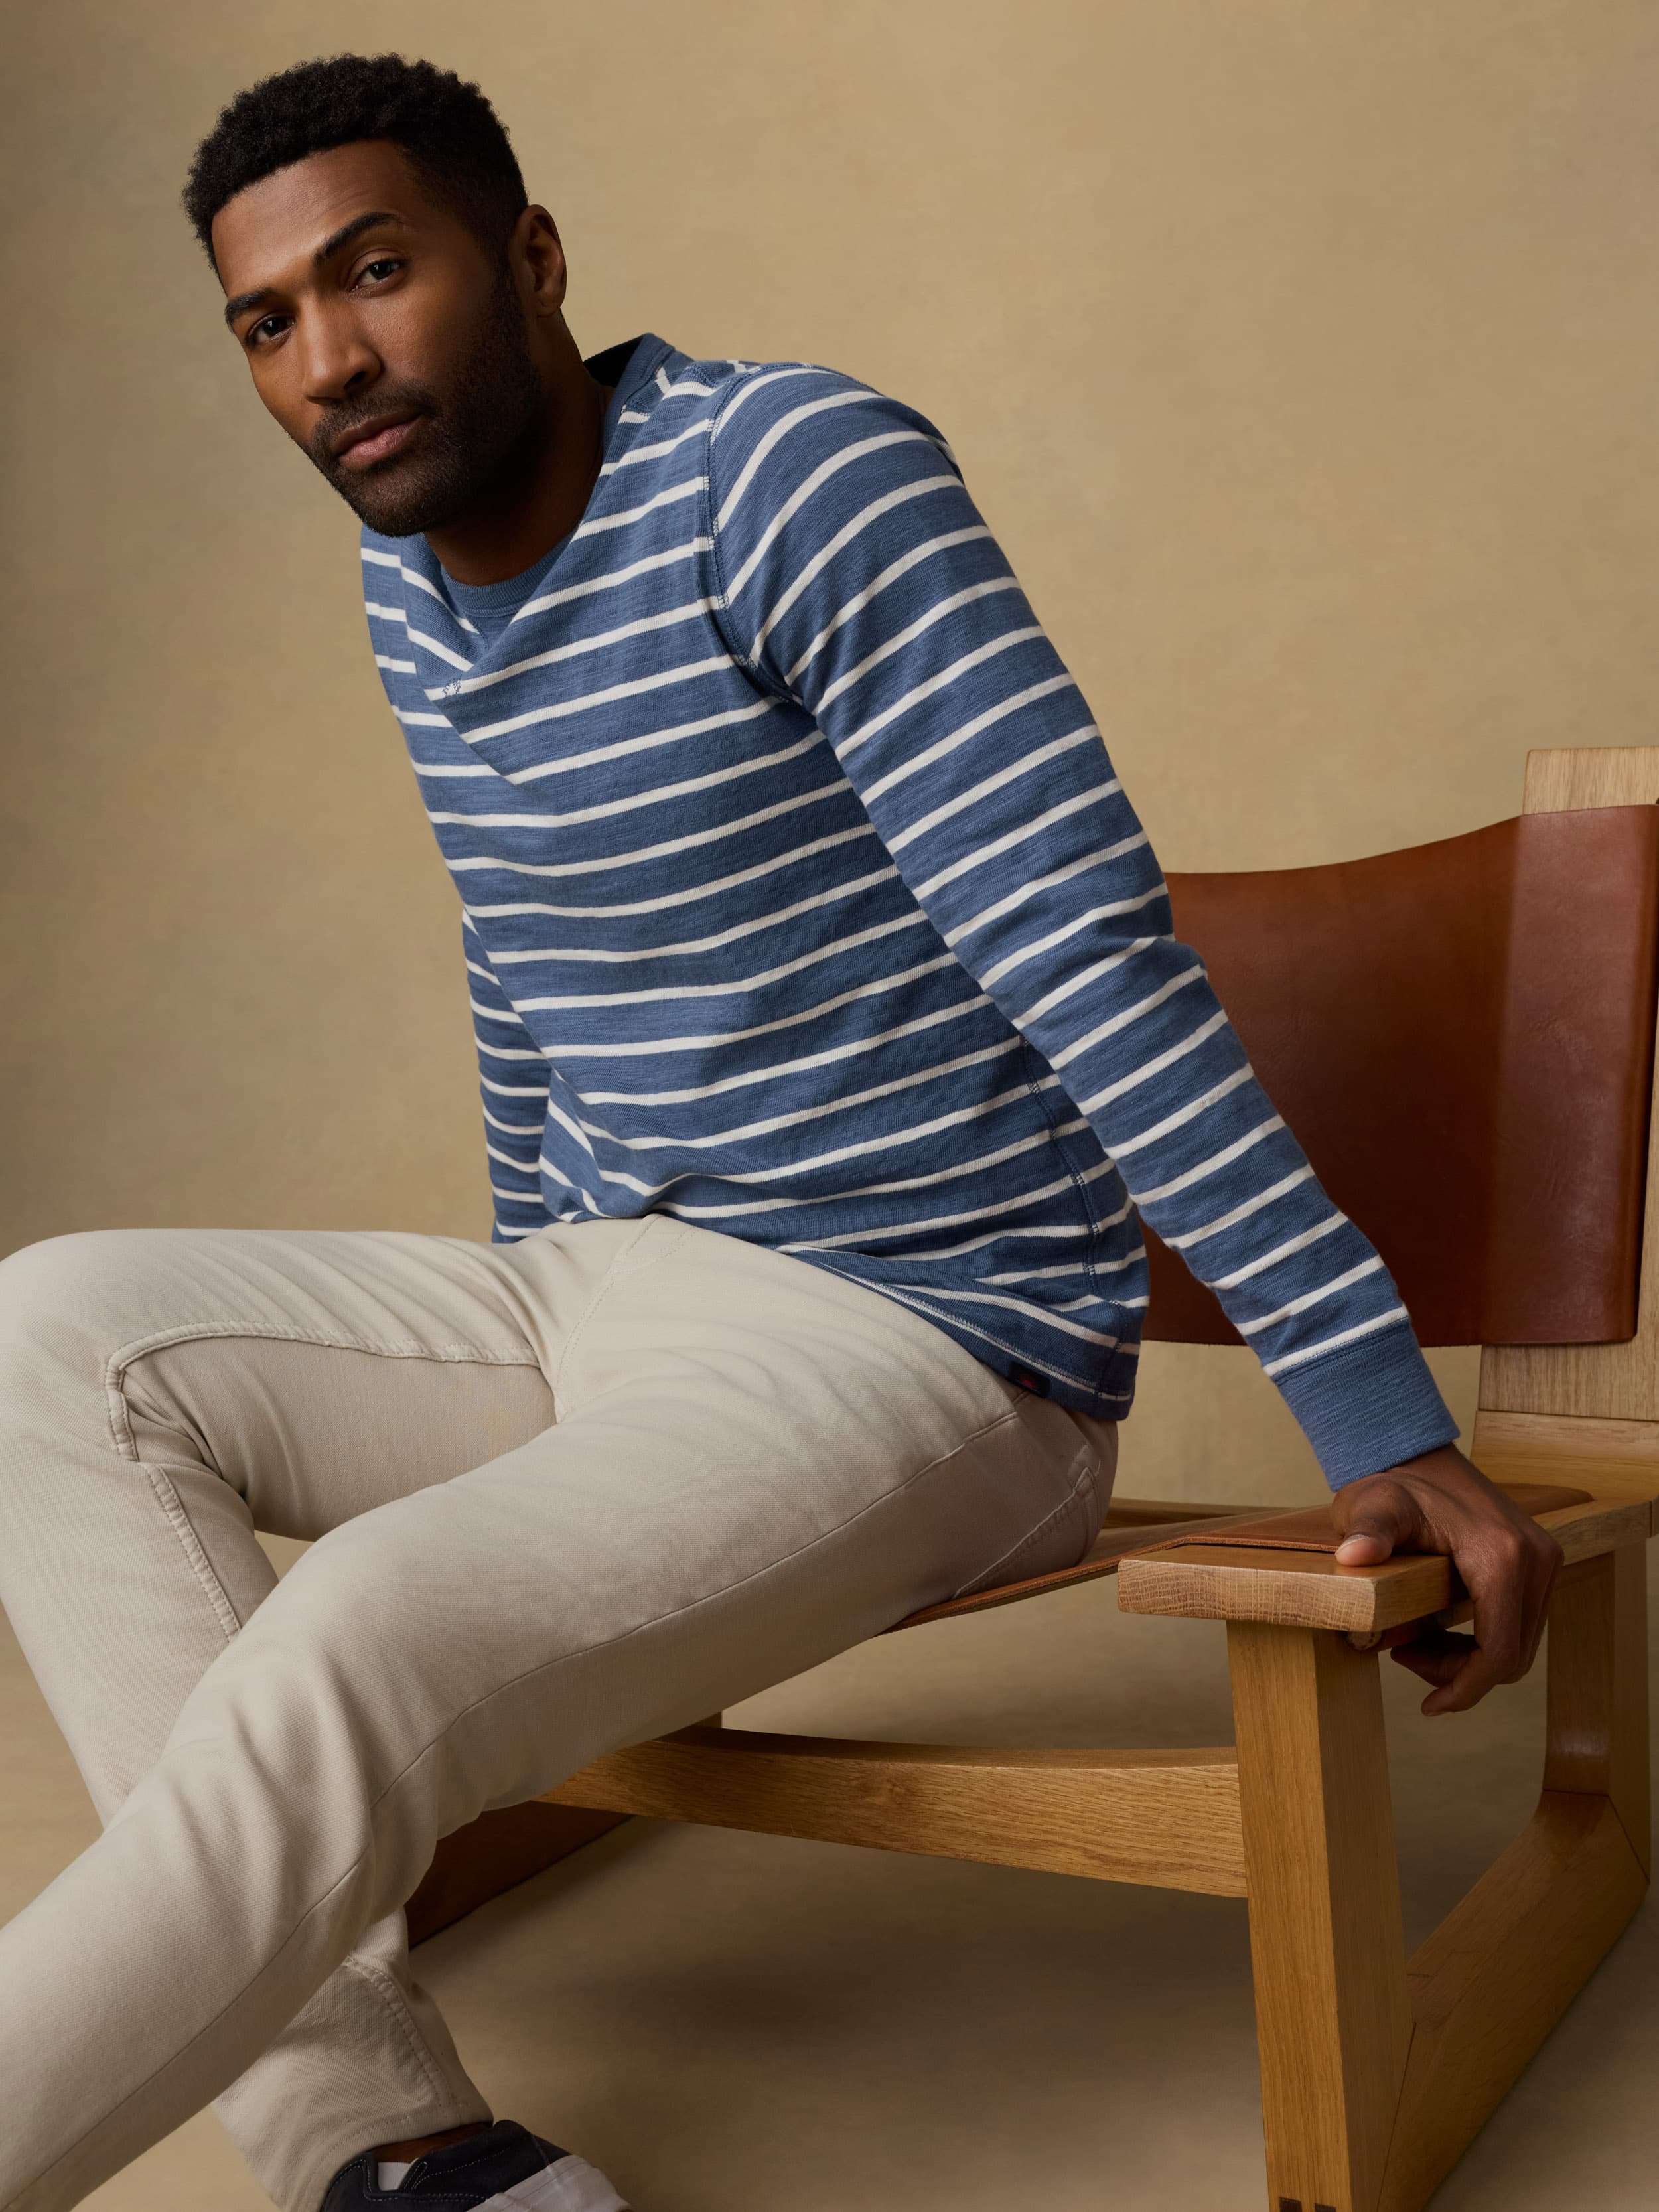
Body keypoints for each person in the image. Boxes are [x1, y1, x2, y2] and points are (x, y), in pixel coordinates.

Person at [0, 50, 1562, 2212]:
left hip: (919, 1340)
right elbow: (519, 955)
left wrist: (1368, 1407)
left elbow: (1083, 948)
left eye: (376, 270)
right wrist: (541, 1397)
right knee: (45, 1331)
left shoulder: (789, 471)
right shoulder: (405, 571)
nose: (326, 358)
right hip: (599, 1303)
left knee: (348, 1629)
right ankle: (379, 2137)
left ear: (530, 258)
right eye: (265, 319)